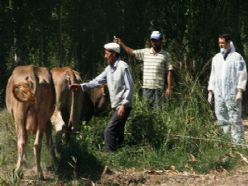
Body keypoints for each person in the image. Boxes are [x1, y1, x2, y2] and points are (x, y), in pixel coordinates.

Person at [70, 42, 134, 152]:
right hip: (116, 106)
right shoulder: (109, 69)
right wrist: (81, 86)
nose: (105, 56)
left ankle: (110, 156)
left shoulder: (123, 66)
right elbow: (96, 81)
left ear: (113, 54)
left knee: (109, 131)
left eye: (107, 53)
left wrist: (124, 105)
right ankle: (120, 155)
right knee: (118, 131)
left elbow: (130, 86)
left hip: (123, 106)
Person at [114, 31, 173, 109]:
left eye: (156, 40)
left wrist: (169, 88)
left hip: (158, 89)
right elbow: (131, 52)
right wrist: (121, 43)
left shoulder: (166, 55)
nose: (154, 42)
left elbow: (169, 71)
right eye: (152, 40)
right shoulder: (145, 52)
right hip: (147, 88)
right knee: (146, 110)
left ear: (161, 40)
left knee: (158, 111)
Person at [208, 34, 247, 144]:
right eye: (219, 43)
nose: (221, 45)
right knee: (221, 116)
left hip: (232, 93)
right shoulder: (216, 58)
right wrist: (210, 90)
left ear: (229, 42)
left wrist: (240, 90)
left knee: (235, 118)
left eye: (223, 43)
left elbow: (242, 74)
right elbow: (213, 75)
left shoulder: (237, 57)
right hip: (219, 93)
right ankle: (226, 142)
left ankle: (238, 144)